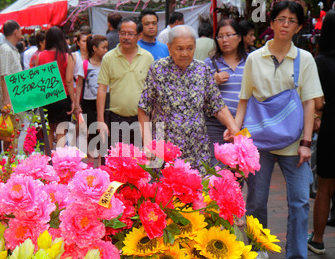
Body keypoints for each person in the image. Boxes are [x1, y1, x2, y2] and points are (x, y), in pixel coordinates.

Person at [234, 1, 324, 259]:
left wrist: (307, 142)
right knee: (257, 201)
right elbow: (243, 100)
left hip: (294, 143)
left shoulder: (305, 59)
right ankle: (259, 251)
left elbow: (310, 103)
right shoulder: (254, 58)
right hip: (259, 142)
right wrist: (236, 134)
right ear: (271, 23)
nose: (286, 24)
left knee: (299, 200)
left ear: (298, 28)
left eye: (292, 21)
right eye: (281, 19)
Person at [138, 25, 239, 172]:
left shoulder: (202, 69)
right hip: (163, 148)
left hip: (196, 149)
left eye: (190, 48)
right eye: (179, 48)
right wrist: (148, 144)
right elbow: (144, 108)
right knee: (162, 192)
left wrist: (233, 127)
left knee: (197, 191)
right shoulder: (158, 69)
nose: (185, 53)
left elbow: (217, 105)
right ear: (169, 47)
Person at [97, 17, 154, 152]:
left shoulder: (147, 57)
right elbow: (102, 89)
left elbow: (153, 91)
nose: (126, 37)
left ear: (139, 36)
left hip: (141, 120)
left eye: (130, 34)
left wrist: (152, 120)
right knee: (117, 161)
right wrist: (100, 120)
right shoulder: (109, 58)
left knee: (141, 163)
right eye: (123, 33)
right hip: (116, 119)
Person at [308, 9, 335, 255]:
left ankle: (317, 239)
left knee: (324, 187)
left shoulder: (320, 61)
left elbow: (317, 102)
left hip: (330, 128)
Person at [204, 19, 247, 166]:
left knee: (239, 167)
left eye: (229, 35)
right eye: (220, 36)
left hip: (243, 124)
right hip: (215, 125)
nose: (224, 40)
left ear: (239, 37)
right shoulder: (209, 63)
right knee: (218, 167)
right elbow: (199, 96)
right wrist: (213, 82)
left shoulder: (250, 61)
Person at [34, 26, 76, 150]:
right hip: (63, 96)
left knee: (49, 129)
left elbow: (38, 79)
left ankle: (48, 160)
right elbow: (69, 80)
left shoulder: (40, 56)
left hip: (47, 97)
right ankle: (59, 160)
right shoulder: (68, 56)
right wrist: (73, 102)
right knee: (61, 131)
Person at [74, 35, 108, 167]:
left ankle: (100, 162)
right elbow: (80, 84)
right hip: (88, 102)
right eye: (103, 47)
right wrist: (77, 104)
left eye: (107, 47)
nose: (106, 50)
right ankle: (90, 162)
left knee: (102, 132)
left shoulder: (107, 63)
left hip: (104, 102)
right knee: (92, 133)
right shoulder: (85, 64)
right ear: (94, 48)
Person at [0, 20, 24, 153]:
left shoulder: (12, 49)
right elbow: (4, 77)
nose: (21, 32)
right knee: (9, 135)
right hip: (11, 101)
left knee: (14, 134)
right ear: (15, 31)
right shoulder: (6, 50)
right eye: (20, 30)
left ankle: (12, 164)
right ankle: (9, 165)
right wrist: (7, 103)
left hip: (17, 99)